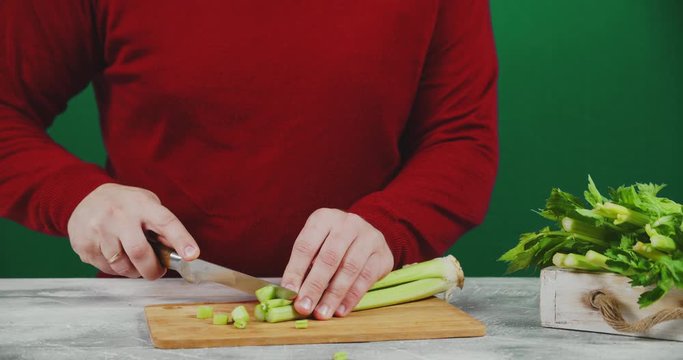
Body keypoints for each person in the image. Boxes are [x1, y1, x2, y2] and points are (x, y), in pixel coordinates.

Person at [0, 1, 498, 320]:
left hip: (364, 310)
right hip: (150, 309)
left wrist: (391, 226)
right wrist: (77, 198)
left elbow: (461, 138)